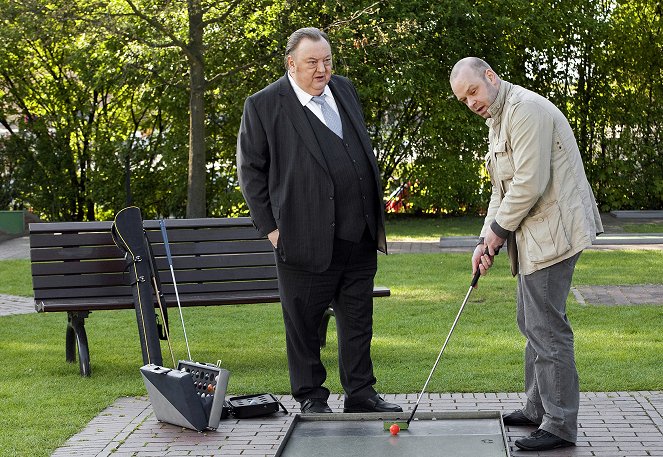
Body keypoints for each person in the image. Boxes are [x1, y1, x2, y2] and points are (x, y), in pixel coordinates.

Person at [236, 27, 402, 415]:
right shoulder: (263, 105)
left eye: (327, 61)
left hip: (358, 235)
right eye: (312, 62)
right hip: (301, 238)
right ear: (291, 64)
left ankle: (361, 394)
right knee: (304, 324)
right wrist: (273, 232)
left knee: (358, 321)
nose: (321, 69)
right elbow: (251, 172)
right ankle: (311, 397)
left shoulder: (344, 90)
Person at [449, 57, 603, 452]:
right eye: (464, 100)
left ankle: (559, 424)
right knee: (531, 320)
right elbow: (501, 190)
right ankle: (537, 408)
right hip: (535, 234)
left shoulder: (525, 110)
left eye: (473, 92)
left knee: (547, 328)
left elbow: (530, 183)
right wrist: (485, 239)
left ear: (491, 77)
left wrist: (499, 235)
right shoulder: (498, 119)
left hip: (555, 233)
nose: (471, 102)